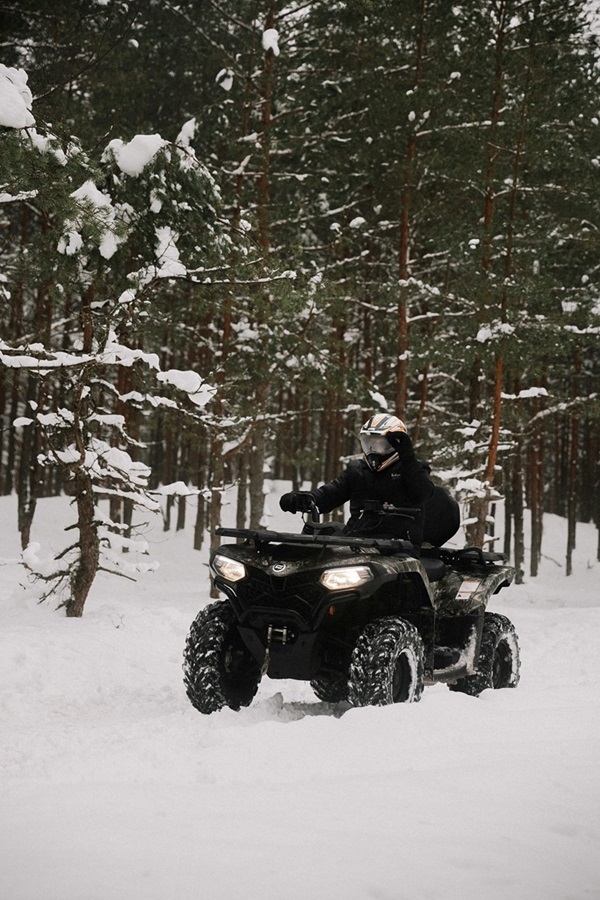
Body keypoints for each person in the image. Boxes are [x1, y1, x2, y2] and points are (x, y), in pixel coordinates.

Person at [280, 413, 438, 547]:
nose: (372, 450)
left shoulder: (412, 469)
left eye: (379, 444)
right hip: (356, 542)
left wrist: (408, 457)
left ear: (395, 445)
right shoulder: (357, 470)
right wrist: (307, 499)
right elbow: (331, 493)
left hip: (399, 547)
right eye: (368, 443)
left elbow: (422, 494)